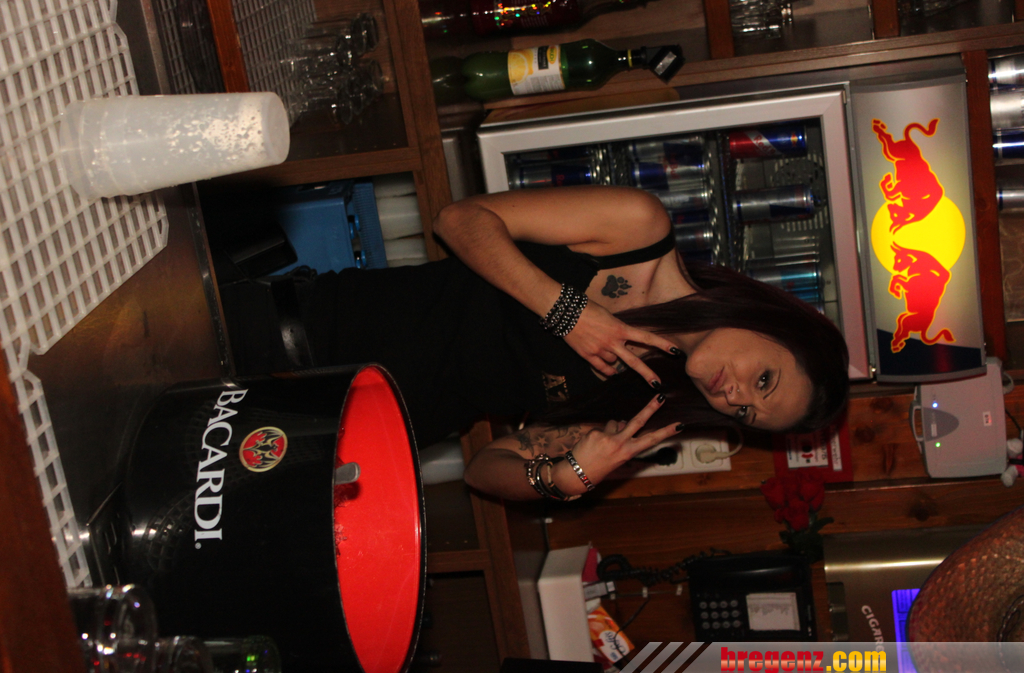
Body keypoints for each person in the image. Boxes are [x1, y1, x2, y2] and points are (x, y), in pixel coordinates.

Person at [219, 185, 849, 469]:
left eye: (747, 413)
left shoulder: (643, 406)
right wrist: (568, 313)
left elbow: (486, 467)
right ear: (770, 322)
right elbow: (459, 219)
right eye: (763, 380)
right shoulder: (637, 232)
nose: (736, 397)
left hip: (332, 437)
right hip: (292, 336)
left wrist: (573, 477)